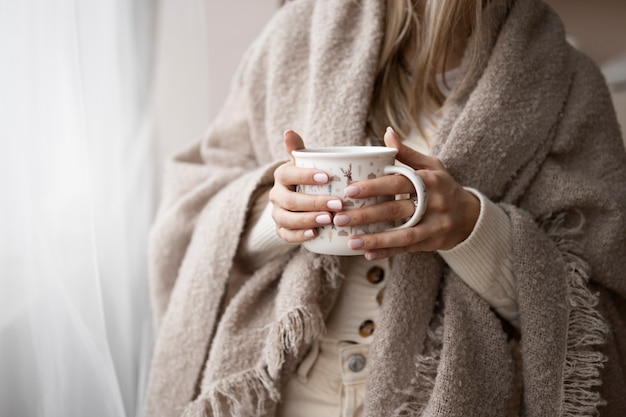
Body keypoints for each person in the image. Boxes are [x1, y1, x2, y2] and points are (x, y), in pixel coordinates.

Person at [144, 0, 626, 416]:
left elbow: (603, 308)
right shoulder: (296, 36)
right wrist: (273, 214)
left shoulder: (565, 82)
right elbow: (188, 218)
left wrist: (476, 230)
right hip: (282, 389)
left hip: (446, 395)